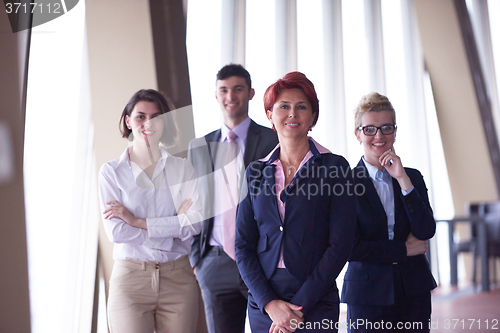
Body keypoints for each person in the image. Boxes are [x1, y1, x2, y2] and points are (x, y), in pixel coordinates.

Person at [235, 71, 357, 333]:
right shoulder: (255, 172)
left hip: (315, 296)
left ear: (313, 116)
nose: (293, 114)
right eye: (284, 106)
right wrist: (269, 304)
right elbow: (243, 245)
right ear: (269, 114)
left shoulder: (335, 167)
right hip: (264, 297)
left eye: (302, 107)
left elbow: (340, 245)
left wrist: (297, 308)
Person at [99, 89, 203, 333]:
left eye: (155, 117)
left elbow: (195, 224)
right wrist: (173, 227)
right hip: (130, 278)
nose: (148, 123)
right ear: (128, 120)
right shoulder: (111, 172)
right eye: (140, 117)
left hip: (178, 277)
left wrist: (136, 220)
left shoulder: (183, 168)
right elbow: (117, 233)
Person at [188, 64, 279, 333]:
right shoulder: (200, 147)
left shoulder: (273, 139)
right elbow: (194, 204)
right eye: (224, 90)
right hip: (214, 262)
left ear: (251, 93)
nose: (230, 96)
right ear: (216, 95)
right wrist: (197, 260)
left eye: (238, 89)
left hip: (261, 259)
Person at [341, 92, 437, 332]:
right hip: (367, 294)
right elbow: (351, 248)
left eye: (386, 128)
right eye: (370, 129)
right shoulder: (345, 184)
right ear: (358, 134)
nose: (379, 136)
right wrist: (404, 249)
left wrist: (402, 179)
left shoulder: (411, 176)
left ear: (395, 131)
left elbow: (426, 229)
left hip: (413, 289)